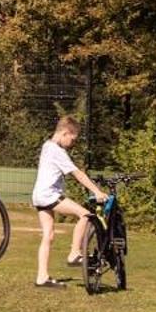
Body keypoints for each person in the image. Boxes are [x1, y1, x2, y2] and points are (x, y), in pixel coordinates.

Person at [32, 115, 104, 289]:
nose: (73, 143)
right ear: (65, 133)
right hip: (49, 195)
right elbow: (77, 174)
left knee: (48, 236)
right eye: (72, 138)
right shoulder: (57, 151)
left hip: (38, 196)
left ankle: (42, 278)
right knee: (86, 215)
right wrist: (97, 191)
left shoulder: (47, 146)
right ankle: (74, 254)